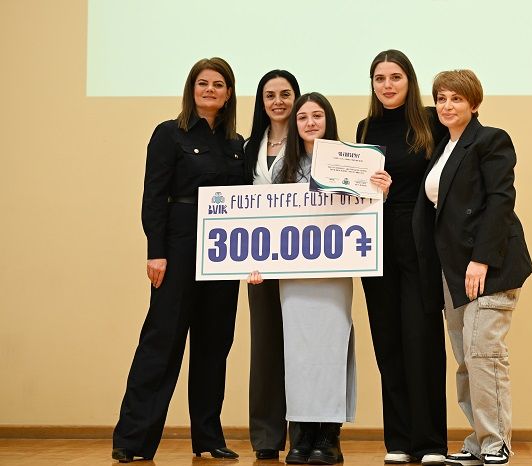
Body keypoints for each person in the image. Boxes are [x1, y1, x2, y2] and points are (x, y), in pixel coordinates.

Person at [112, 57, 247, 463]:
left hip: (223, 252)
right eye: (203, 83)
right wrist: (156, 251)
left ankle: (208, 437)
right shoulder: (168, 134)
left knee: (214, 345)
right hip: (179, 246)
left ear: (228, 94)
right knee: (162, 341)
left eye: (218, 84)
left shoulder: (237, 144)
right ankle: (133, 440)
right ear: (192, 89)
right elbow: (154, 195)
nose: (210, 90)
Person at [249, 92, 391, 465]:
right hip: (294, 279)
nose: (310, 122)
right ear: (295, 125)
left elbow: (366, 212)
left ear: (328, 120)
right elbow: (267, 222)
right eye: (303, 117)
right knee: (297, 354)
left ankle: (329, 436)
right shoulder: (282, 169)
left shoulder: (354, 161)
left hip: (333, 275)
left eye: (317, 116)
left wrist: (381, 190)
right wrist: (255, 262)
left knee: (331, 350)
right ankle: (303, 435)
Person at [413, 69, 532, 466]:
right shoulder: (442, 147)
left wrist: (481, 259)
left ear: (474, 103)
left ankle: (497, 443)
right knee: (467, 360)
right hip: (452, 272)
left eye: (457, 99)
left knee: (485, 355)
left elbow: (501, 200)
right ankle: (480, 441)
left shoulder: (490, 140)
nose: (447, 106)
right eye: (441, 98)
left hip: (489, 268)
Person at [356, 49, 448, 466]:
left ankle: (430, 442)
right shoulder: (364, 128)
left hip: (419, 245)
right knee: (387, 340)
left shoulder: (430, 121)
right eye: (380, 78)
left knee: (421, 340)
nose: (387, 85)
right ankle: (399, 439)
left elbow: (445, 180)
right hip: (375, 246)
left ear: (409, 81)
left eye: (395, 77)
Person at [244, 69, 301, 461]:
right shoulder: (248, 147)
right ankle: (266, 436)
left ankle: (303, 434)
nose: (278, 101)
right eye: (270, 95)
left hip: (303, 259)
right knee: (264, 346)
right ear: (261, 102)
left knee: (301, 345)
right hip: (259, 263)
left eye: (285, 94)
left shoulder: (313, 145)